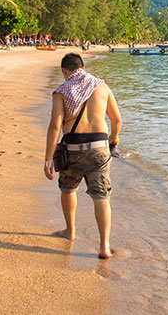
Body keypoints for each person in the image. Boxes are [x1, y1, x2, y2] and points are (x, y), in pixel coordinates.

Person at [44, 53, 122, 259]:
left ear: (65, 71)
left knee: (68, 189)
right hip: (99, 148)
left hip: (73, 149)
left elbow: (54, 127)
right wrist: (113, 140)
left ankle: (70, 232)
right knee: (101, 197)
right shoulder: (102, 87)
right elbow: (117, 120)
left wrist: (48, 158)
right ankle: (104, 246)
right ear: (83, 67)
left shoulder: (61, 91)